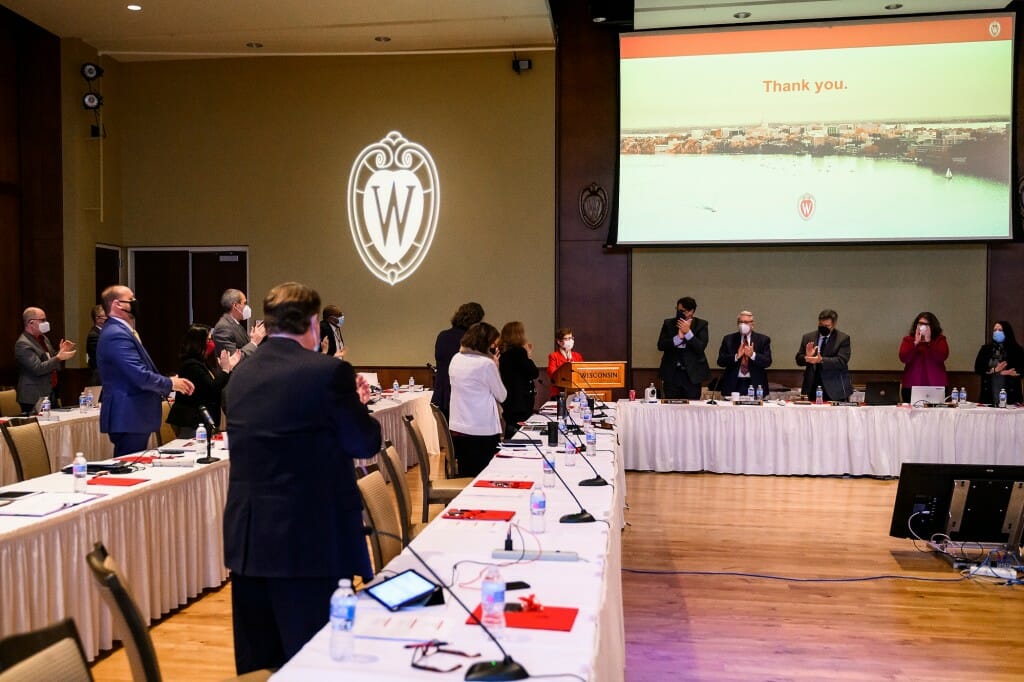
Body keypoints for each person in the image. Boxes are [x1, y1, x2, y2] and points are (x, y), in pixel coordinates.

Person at [224, 282, 381, 675]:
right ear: (313, 323)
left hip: (250, 541)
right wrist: (358, 405)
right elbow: (363, 442)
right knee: (316, 661)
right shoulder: (328, 372)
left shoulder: (240, 374)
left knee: (265, 663)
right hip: (310, 541)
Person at [96, 285, 194, 457]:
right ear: (118, 304)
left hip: (134, 414)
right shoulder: (115, 334)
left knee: (134, 466)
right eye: (131, 299)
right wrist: (171, 383)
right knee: (129, 468)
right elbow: (138, 375)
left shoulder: (122, 330)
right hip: (128, 413)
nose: (135, 303)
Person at [448, 322, 506, 477]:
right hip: (482, 429)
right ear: (485, 343)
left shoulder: (456, 358)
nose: (494, 346)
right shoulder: (486, 364)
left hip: (458, 426)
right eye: (493, 343)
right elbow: (502, 395)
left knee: (466, 472)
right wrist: (496, 367)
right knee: (484, 474)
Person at [167, 324, 241, 438]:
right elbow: (212, 388)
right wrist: (226, 370)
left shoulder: (202, 363)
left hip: (203, 421)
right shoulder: (191, 365)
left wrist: (227, 368)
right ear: (199, 342)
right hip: (192, 422)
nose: (211, 343)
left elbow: (216, 383)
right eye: (208, 339)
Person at [14, 307, 77, 414]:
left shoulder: (44, 339)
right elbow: (37, 368)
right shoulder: (23, 344)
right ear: (31, 323)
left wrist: (61, 352)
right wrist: (58, 357)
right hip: (33, 397)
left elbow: (50, 361)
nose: (46, 323)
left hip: (50, 392)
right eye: (42, 320)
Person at [432, 302, 485, 419]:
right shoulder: (470, 340)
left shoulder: (442, 336)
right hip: (463, 398)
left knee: (445, 436)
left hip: (441, 394)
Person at [656, 296, 710, 399]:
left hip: (692, 374)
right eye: (678, 310)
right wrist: (678, 338)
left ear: (691, 311)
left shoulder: (701, 324)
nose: (679, 313)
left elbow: (700, 347)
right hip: (672, 373)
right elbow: (661, 345)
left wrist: (688, 333)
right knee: (670, 407)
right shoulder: (669, 323)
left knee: (692, 408)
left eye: (682, 311)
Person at [795, 309, 852, 401]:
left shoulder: (843, 339)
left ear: (834, 325)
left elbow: (842, 361)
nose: (823, 327)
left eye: (827, 326)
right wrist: (807, 357)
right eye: (820, 325)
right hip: (811, 387)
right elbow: (798, 359)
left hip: (834, 388)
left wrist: (821, 360)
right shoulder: (808, 337)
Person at [717, 310, 772, 397]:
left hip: (755, 384)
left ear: (752, 324)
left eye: (746, 322)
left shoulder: (763, 340)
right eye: (740, 322)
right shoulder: (728, 339)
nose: (743, 325)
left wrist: (752, 355)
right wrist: (736, 356)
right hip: (733, 384)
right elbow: (720, 361)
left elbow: (767, 362)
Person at [498, 321, 538, 438]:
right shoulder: (519, 352)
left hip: (508, 397)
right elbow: (534, 373)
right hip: (520, 399)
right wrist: (529, 356)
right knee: (520, 431)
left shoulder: (503, 353)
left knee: (510, 428)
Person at [898, 311, 949, 402]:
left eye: (926, 325)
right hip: (912, 386)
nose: (923, 327)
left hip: (936, 386)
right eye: (920, 324)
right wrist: (915, 343)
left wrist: (929, 341)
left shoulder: (940, 340)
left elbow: (942, 356)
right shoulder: (908, 340)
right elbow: (903, 357)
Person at [973, 320, 1023, 405]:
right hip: (989, 393)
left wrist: (1013, 372)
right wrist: (994, 370)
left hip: (1011, 393)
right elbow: (978, 368)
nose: (996, 332)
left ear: (1007, 332)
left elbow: (1022, 369)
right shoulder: (986, 349)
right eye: (995, 330)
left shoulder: (1016, 350)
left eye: (1000, 330)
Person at [212, 288, 267, 357]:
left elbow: (243, 346)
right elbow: (233, 360)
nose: (247, 307)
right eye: (244, 303)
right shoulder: (223, 327)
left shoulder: (235, 324)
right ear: (235, 306)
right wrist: (253, 342)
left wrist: (254, 338)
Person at [547, 327, 583, 398]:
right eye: (567, 339)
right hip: (559, 393)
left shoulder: (577, 356)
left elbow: (582, 373)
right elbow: (552, 374)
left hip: (576, 393)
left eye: (571, 338)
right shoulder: (554, 356)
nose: (570, 341)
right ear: (559, 341)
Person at [86, 304, 107, 385]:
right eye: (105, 316)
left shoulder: (103, 332)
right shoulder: (94, 335)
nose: (108, 318)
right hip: (100, 377)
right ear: (97, 318)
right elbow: (103, 355)